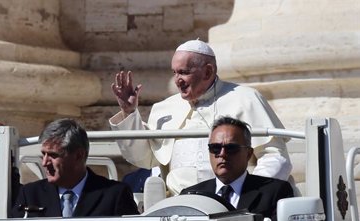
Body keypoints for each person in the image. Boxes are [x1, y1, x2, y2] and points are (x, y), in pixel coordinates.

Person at [110, 39, 291, 196]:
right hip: (177, 205)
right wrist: (129, 112)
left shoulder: (246, 99)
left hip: (233, 203)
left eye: (184, 72)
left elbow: (275, 157)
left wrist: (250, 195)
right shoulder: (164, 108)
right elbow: (144, 159)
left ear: (207, 71)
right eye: (174, 72)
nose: (177, 80)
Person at [11, 118, 138, 218]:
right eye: (43, 154)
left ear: (78, 155)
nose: (45, 163)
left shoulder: (114, 195)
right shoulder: (30, 194)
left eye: (53, 155)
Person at [181, 116, 294, 221]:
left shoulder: (276, 192)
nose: (222, 154)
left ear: (248, 154)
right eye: (215, 148)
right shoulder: (190, 196)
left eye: (231, 148)